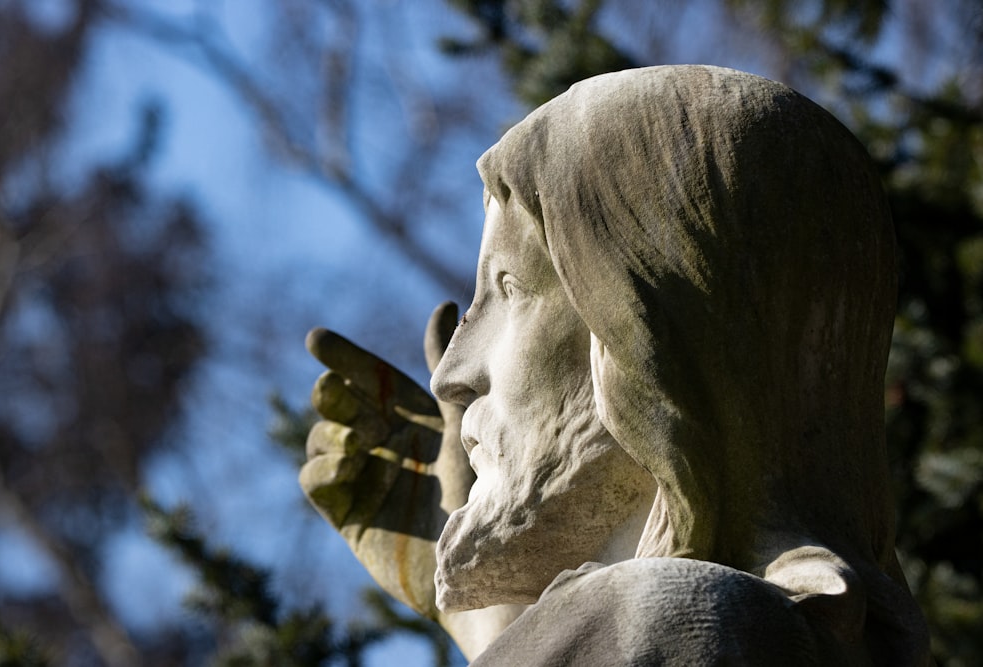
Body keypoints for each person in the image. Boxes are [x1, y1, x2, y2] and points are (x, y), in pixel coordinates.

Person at [301, 65, 931, 665]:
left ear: (649, 333)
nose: (452, 374)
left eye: (509, 288)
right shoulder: (800, 637)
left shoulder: (677, 619)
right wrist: (499, 624)